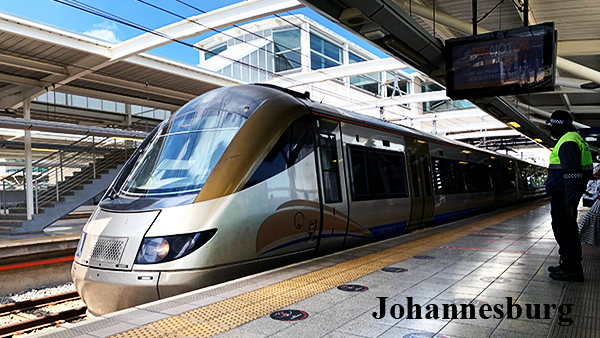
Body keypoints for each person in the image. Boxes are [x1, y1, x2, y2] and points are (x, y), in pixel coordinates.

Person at [544, 110, 593, 282]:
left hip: (563, 195)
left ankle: (572, 269)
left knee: (564, 230)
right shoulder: (575, 138)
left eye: (553, 125)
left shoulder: (567, 142)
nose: (552, 129)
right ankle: (567, 264)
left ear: (559, 124)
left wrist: (570, 203)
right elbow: (584, 172)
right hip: (565, 194)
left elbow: (572, 175)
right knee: (566, 230)